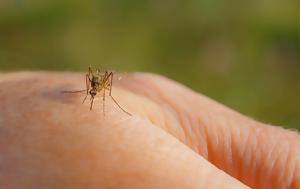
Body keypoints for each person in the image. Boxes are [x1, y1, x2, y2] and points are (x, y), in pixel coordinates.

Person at [0, 72, 299, 189]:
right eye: (93, 87)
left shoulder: (103, 87)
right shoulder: (89, 89)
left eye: (94, 88)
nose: (93, 90)